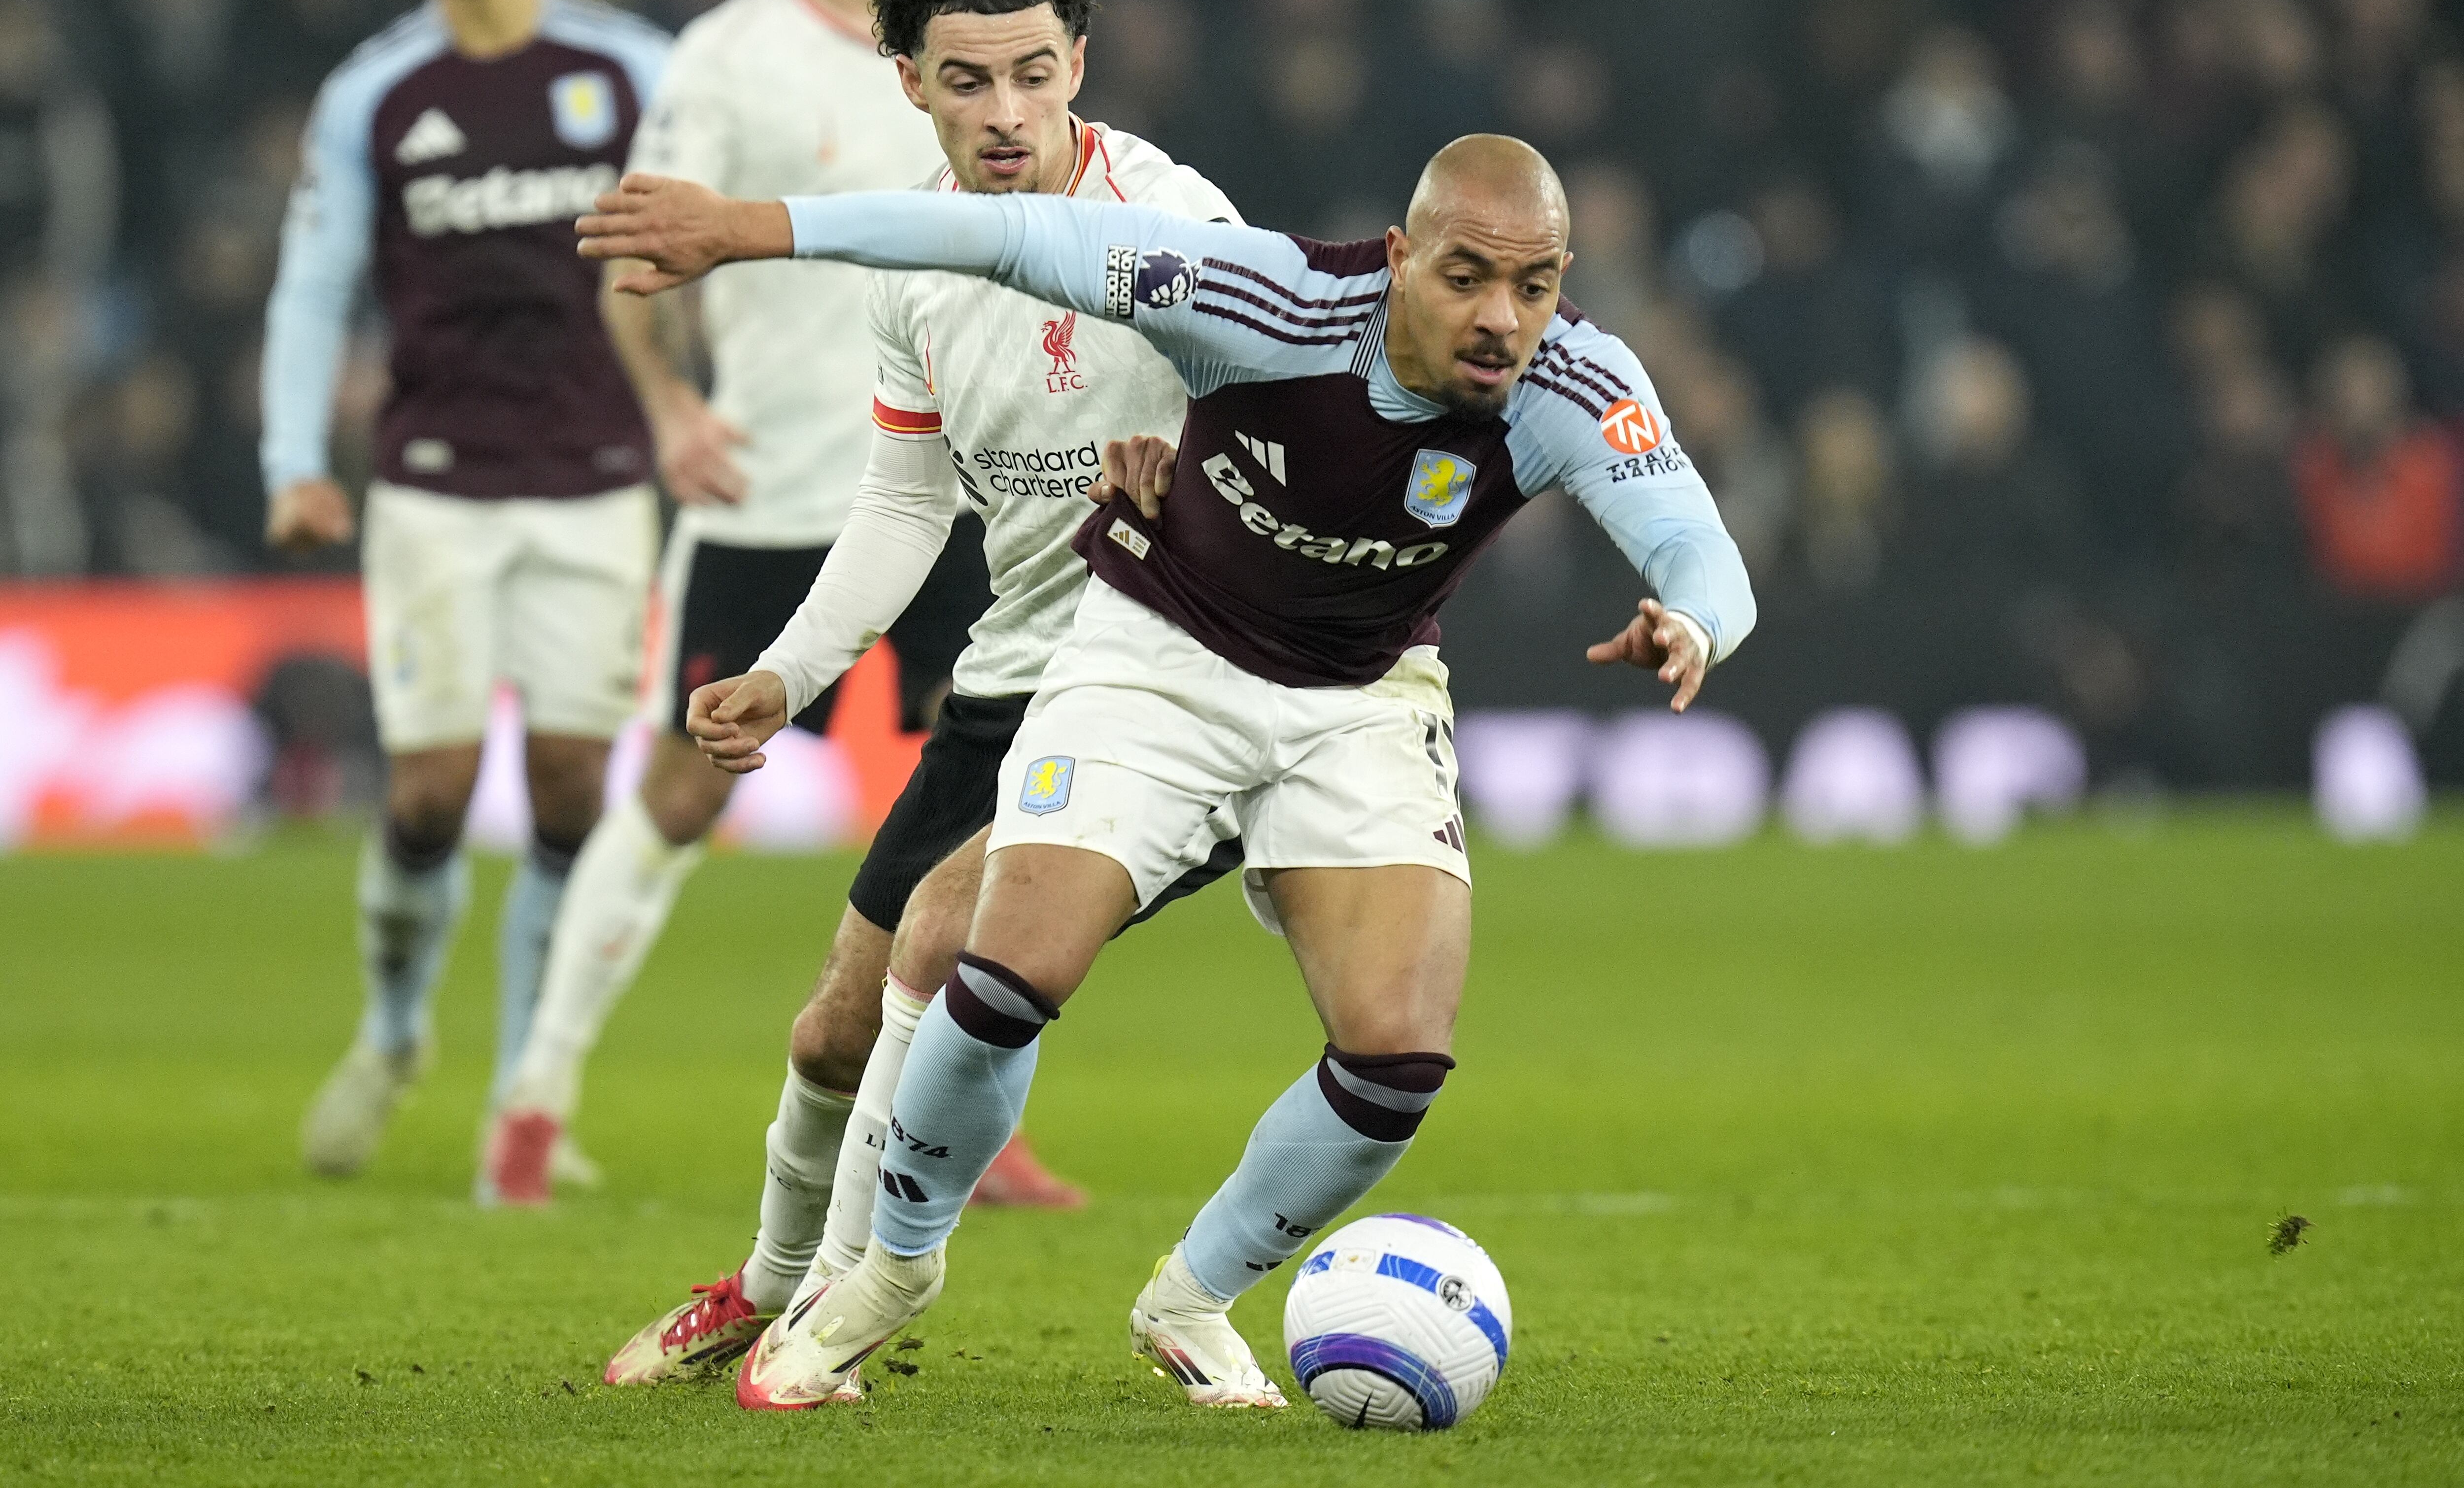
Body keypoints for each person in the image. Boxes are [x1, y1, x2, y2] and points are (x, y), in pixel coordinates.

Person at [579, 131, 1757, 1409]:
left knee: (1397, 1056)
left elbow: (1701, 546)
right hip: (1161, 660)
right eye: (1467, 276)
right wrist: (749, 228)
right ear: (1401, 258)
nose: (1499, 317)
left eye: (1532, 286)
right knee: (1002, 967)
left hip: (1357, 698)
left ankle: (1191, 1296)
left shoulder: (1576, 380)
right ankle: (889, 1278)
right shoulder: (1271, 300)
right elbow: (1016, 238)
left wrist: (1691, 623)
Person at [576, 0, 1246, 1384]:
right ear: (911, 85)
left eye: (1031, 74)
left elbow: (1292, 425)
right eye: (965, 80)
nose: (1004, 112)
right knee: (827, 1033)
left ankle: (860, 1296)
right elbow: (902, 502)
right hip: (1012, 681)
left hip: (1171, 687)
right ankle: (767, 1281)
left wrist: (1196, 495)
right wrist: (784, 675)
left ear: (1080, 62)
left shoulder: (1180, 227)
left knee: (944, 949)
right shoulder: (916, 263)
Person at [479, 0, 1054, 1209]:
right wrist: (675, 414)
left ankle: (973, 1128)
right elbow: (633, 249)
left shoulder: (969, 65)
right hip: (771, 488)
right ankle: (536, 1098)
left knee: (996, 817)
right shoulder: (724, 56)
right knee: (683, 786)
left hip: (955, 489)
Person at [262, 0, 669, 1186]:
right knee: (430, 790)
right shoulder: (375, 90)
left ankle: (522, 1101)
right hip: (433, 477)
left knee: (567, 788)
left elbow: (716, 238)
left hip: (601, 476)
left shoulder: (629, 69)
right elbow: (314, 282)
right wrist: (291, 463)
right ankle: (390, 1034)